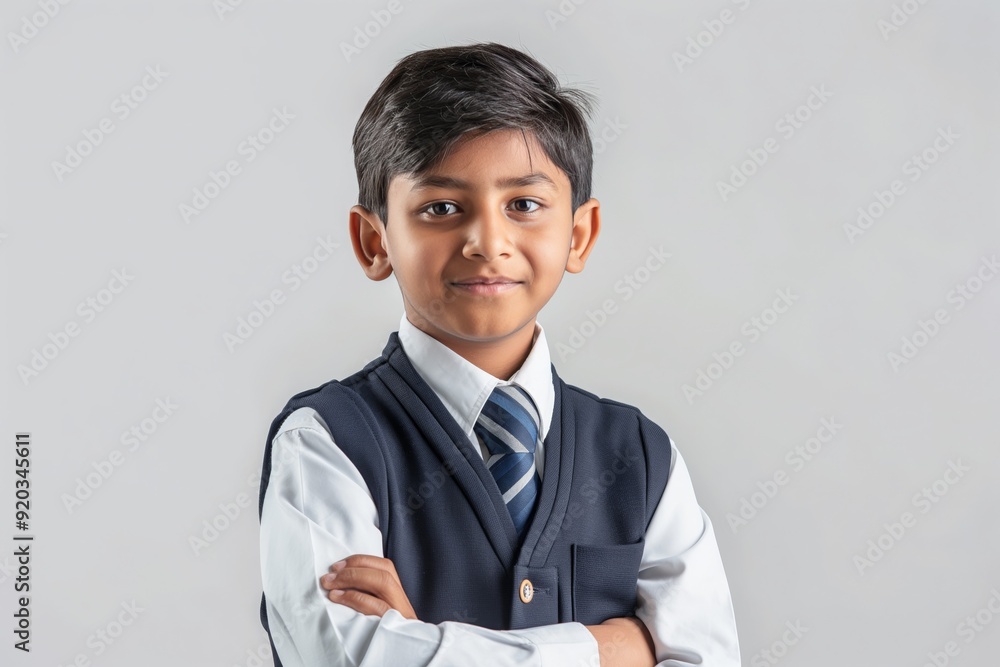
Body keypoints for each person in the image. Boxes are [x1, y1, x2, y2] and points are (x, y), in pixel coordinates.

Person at [257, 42, 740, 667]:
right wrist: (614, 649)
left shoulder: (641, 456)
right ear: (374, 241)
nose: (488, 241)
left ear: (580, 233)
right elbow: (346, 658)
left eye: (524, 205)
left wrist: (420, 642)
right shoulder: (324, 442)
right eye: (441, 208)